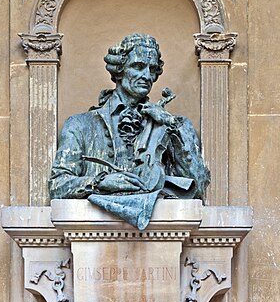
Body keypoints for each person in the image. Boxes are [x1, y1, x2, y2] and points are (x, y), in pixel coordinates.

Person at [49, 33, 210, 229]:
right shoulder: (81, 125)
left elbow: (198, 186)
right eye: (138, 66)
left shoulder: (172, 125)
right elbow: (58, 185)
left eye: (152, 69)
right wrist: (100, 182)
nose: (146, 76)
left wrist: (171, 124)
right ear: (119, 70)